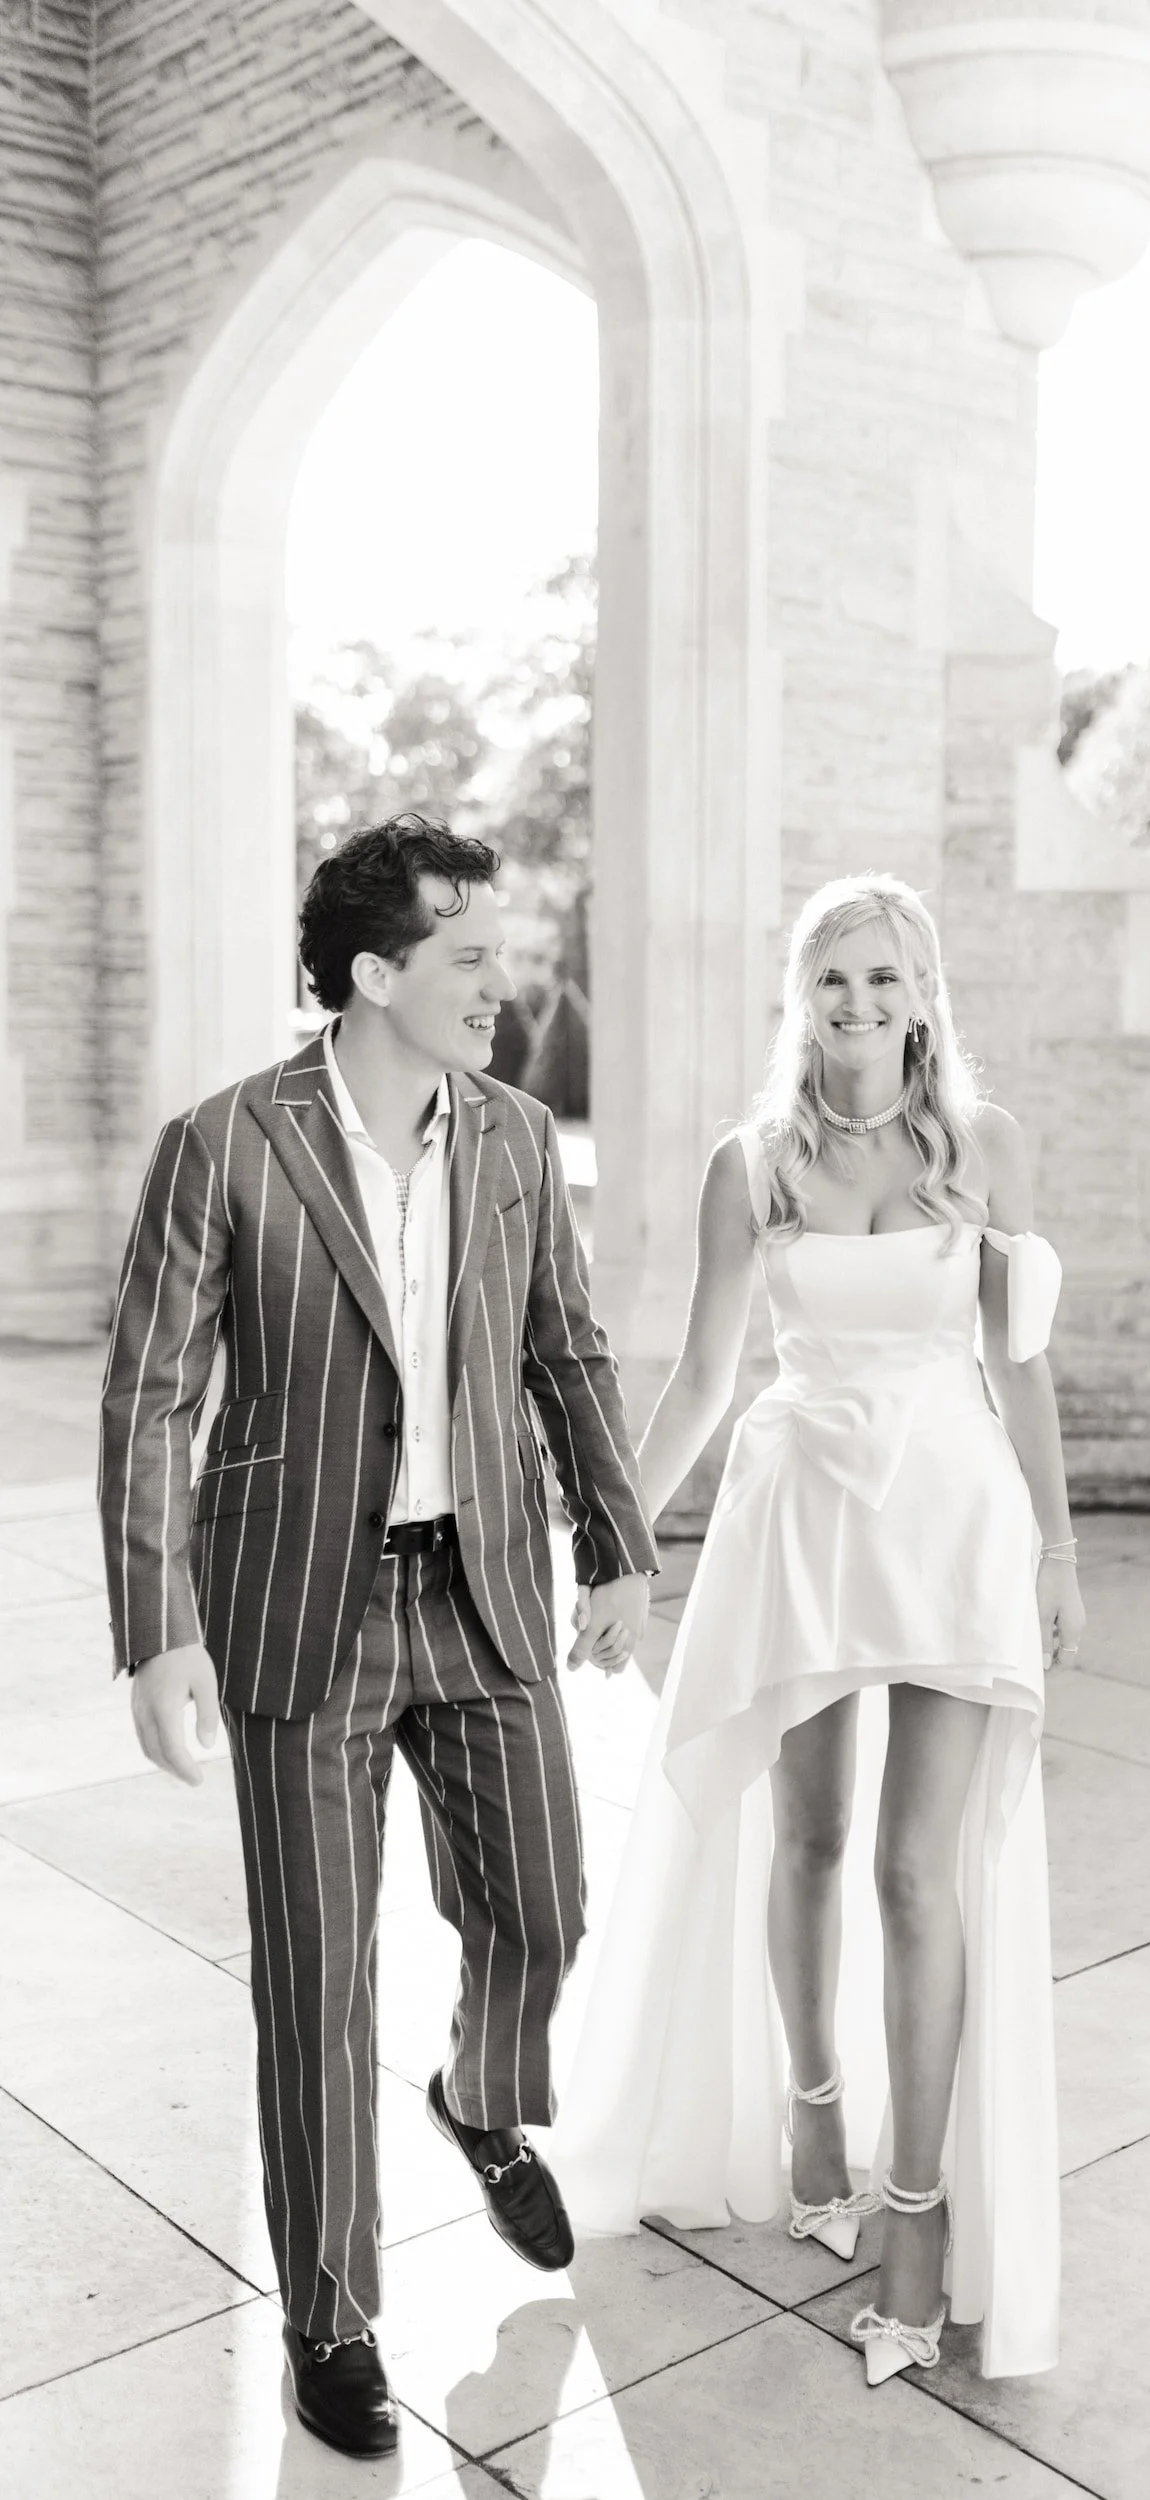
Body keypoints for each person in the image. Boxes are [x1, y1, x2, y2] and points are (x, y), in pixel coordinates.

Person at [99, 816, 657, 2460]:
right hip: (297, 1612)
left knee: (543, 1903)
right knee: (316, 1990)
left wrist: (615, 1544)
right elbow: (151, 1395)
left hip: (477, 1590)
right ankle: (329, 2318)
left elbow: (566, 1351)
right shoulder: (225, 1145)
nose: (503, 983)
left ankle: (481, 2098)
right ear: (372, 974)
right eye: (469, 958)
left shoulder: (511, 1136)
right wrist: (156, 1628)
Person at [558, 871, 1081, 2382]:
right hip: (799, 1512)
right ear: (804, 999)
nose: (857, 1006)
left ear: (924, 995)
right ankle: (809, 2107)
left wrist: (1054, 1547)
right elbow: (705, 1376)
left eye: (882, 979)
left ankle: (916, 2220)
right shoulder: (754, 1165)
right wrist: (618, 1538)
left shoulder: (985, 1152)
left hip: (953, 1520)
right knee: (808, 1843)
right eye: (832, 981)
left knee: (923, 1876)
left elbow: (1021, 1366)